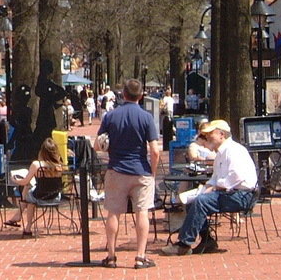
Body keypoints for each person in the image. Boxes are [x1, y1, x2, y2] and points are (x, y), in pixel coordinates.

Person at [162, 119, 258, 256]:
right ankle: (207, 240)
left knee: (201, 201)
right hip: (233, 193)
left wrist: (214, 188)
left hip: (243, 195)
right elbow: (215, 178)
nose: (207, 137)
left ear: (221, 134)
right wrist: (206, 187)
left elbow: (236, 176)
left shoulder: (233, 150)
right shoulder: (221, 153)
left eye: (210, 133)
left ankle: (183, 244)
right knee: (193, 202)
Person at [94, 78, 161, 270]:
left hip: (116, 169)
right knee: (142, 212)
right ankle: (140, 256)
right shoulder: (146, 118)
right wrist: (152, 173)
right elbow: (155, 151)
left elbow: (97, 145)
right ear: (141, 95)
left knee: (113, 213)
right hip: (140, 170)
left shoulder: (110, 116)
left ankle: (111, 256)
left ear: (123, 94)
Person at [8, 138, 64, 237]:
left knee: (29, 194)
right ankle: (18, 217)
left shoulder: (36, 164)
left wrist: (15, 180)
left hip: (39, 196)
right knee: (30, 190)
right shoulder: (59, 165)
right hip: (55, 197)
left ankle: (27, 226)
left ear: (42, 151)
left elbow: (25, 181)